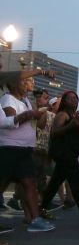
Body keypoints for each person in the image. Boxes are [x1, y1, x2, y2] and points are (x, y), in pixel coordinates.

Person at [0, 74, 54, 232]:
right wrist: (30, 114)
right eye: (25, 81)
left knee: (30, 184)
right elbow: (10, 121)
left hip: (24, 150)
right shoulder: (8, 99)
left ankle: (35, 220)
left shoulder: (26, 101)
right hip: (9, 148)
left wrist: (41, 112)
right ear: (14, 84)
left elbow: (40, 125)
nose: (28, 84)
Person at [40, 91, 79, 221]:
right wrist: (71, 126)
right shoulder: (62, 115)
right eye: (70, 98)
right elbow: (54, 133)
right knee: (76, 184)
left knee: (54, 184)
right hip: (66, 155)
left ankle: (41, 209)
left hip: (69, 155)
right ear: (64, 102)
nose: (74, 100)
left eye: (75, 98)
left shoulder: (74, 116)